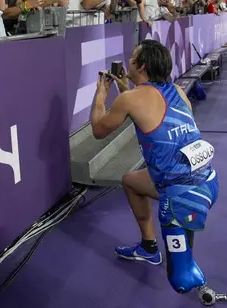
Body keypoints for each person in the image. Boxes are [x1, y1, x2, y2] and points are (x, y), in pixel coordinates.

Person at [90, 39, 219, 298]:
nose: (128, 60)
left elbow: (98, 130)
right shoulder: (178, 91)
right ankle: (149, 248)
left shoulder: (130, 99)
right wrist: (126, 89)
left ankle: (196, 280)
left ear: (142, 65)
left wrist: (101, 95)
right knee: (130, 180)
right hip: (208, 182)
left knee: (180, 280)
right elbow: (154, 106)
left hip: (180, 196)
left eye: (133, 57)